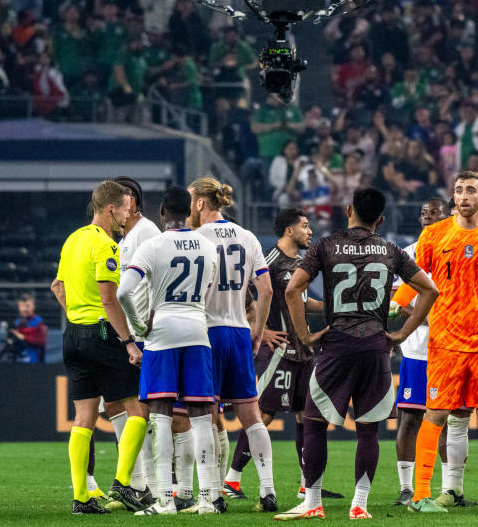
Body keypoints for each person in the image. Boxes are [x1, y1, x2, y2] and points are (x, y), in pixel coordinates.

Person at [274, 188, 439, 520]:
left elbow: (293, 289)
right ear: (380, 219)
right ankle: (359, 504)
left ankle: (313, 503)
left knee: (316, 424)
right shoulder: (391, 250)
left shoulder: (326, 245)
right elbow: (429, 290)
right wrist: (402, 334)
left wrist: (305, 336)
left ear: (349, 210)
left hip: (336, 346)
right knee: (368, 429)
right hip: (376, 347)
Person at [407, 172, 478, 514]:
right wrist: (393, 308)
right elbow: (415, 280)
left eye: (470, 190)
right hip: (445, 341)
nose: (463, 195)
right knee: (434, 414)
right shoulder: (433, 234)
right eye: (458, 190)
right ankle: (421, 496)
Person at [224, 208, 341, 500]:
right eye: (304, 226)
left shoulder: (300, 262)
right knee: (261, 414)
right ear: (289, 231)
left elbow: (303, 301)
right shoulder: (268, 260)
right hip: (277, 352)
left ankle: (307, 484)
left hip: (302, 350)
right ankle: (232, 480)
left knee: (306, 415)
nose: (310, 230)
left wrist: (334, 308)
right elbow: (241, 296)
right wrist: (260, 331)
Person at [117, 186, 220, 515]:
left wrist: (139, 324)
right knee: (202, 417)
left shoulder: (153, 245)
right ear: (190, 211)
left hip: (162, 333)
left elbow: (123, 293)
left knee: (160, 416)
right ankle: (207, 499)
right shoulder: (208, 246)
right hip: (197, 330)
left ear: (162, 213)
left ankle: (165, 500)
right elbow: (207, 289)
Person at [50, 180, 146, 514]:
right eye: (124, 209)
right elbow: (110, 298)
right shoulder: (106, 245)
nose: (127, 215)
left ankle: (81, 497)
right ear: (109, 209)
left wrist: (77, 317)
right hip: (103, 336)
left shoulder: (72, 239)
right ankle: (123, 483)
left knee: (84, 418)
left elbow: (57, 287)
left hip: (73, 334)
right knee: (137, 410)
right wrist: (129, 342)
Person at [188, 177, 275, 512]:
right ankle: (267, 491)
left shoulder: (195, 238)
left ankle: (212, 495)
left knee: (206, 414)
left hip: (205, 332)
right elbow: (265, 290)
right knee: (251, 413)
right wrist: (257, 330)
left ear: (199, 203)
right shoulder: (247, 236)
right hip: (239, 330)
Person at [104, 176, 162, 506]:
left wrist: (144, 328)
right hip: (125, 333)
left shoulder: (147, 233)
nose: (118, 209)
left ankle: (151, 485)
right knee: (118, 406)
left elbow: (153, 283)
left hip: (142, 335)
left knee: (143, 410)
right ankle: (135, 483)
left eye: (122, 201)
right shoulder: (125, 237)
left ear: (134, 202)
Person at [387, 197, 448, 506]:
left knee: (448, 421)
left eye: (434, 213)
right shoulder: (408, 255)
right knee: (410, 418)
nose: (427, 217)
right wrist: (428, 315)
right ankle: (406, 488)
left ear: (447, 216)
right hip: (418, 351)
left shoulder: (455, 250)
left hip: (450, 349)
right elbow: (397, 301)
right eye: (424, 213)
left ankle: (451, 489)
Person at [10, 293, 47, 363]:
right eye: (22, 306)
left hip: (35, 363)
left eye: (27, 306)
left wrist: (24, 337)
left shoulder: (39, 322)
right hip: (18, 363)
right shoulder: (16, 323)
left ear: (33, 306)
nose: (24, 309)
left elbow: (41, 341)